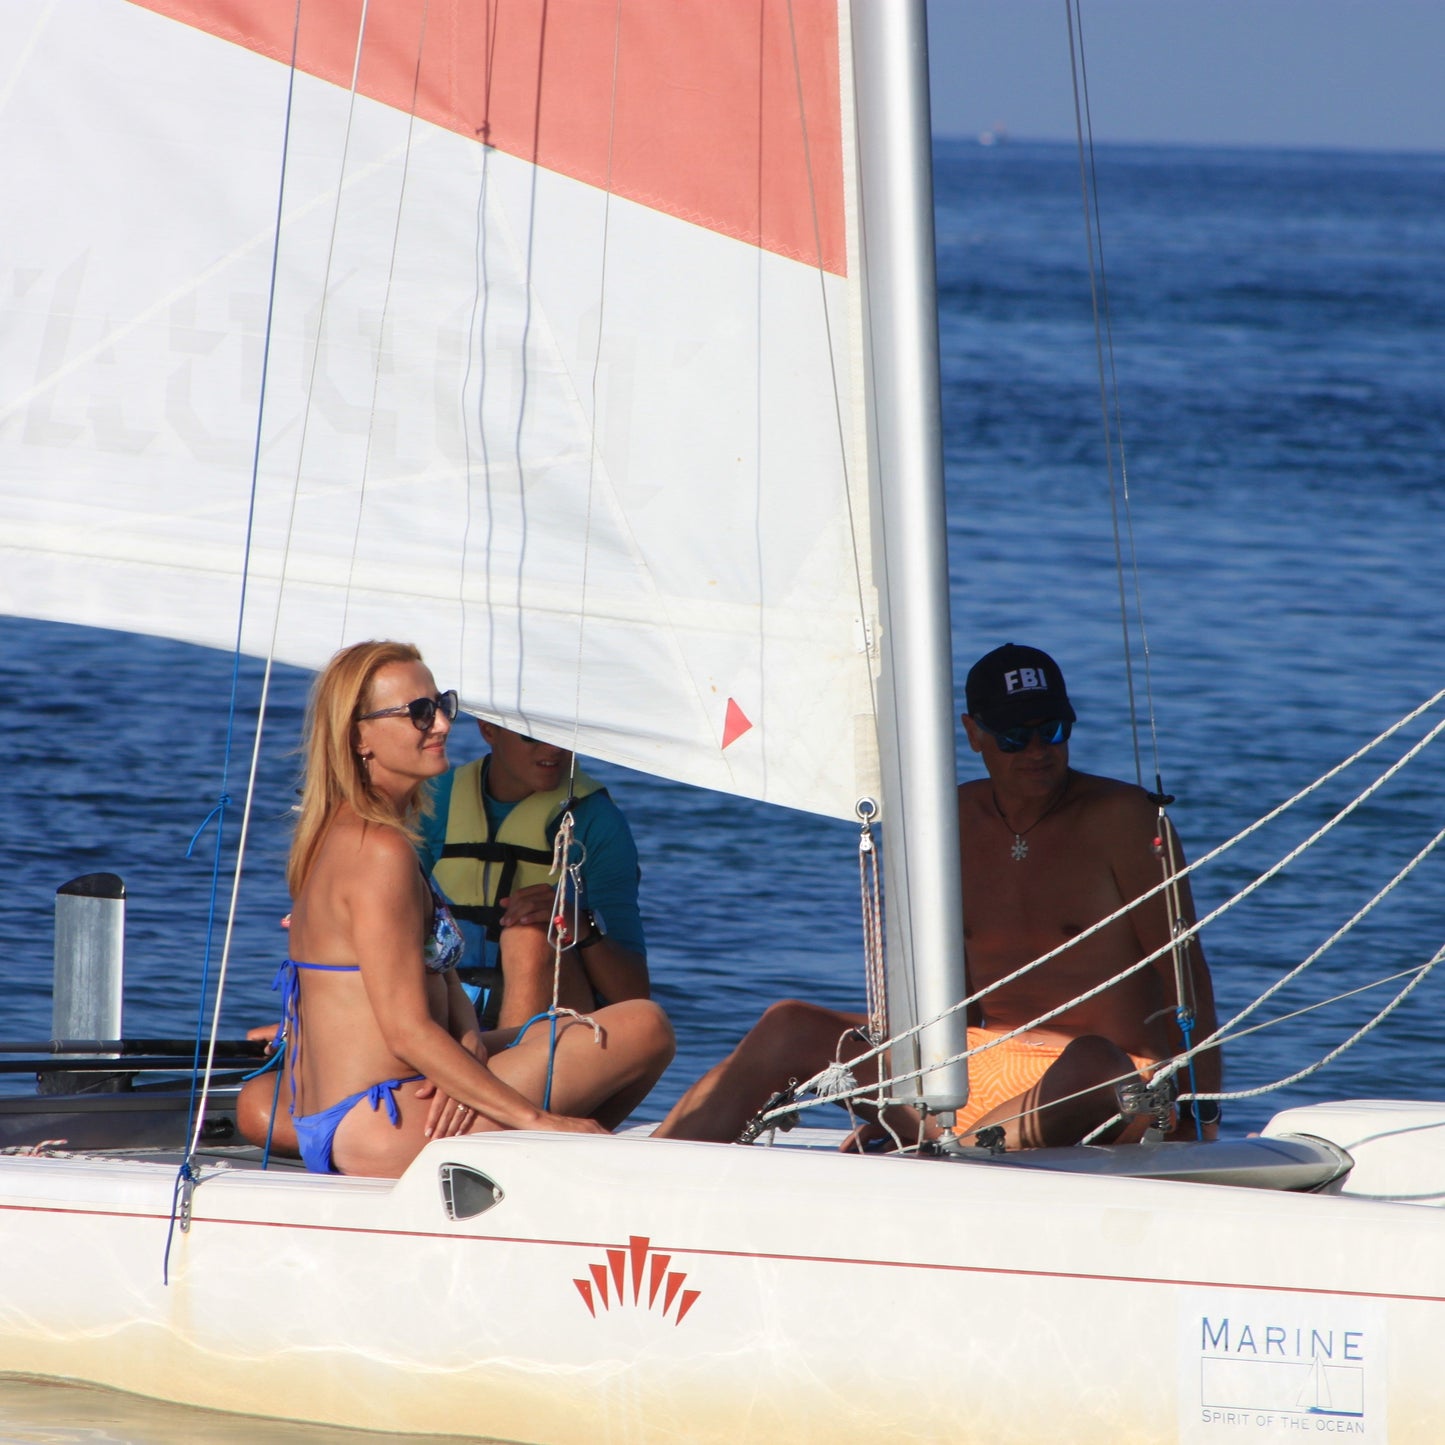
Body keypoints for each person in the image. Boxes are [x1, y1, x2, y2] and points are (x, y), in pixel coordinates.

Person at [653, 643, 1221, 1150]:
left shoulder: (1124, 819)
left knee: (1094, 1059)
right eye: (1012, 737)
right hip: (970, 1069)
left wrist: (1204, 1113)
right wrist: (892, 1108)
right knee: (789, 1025)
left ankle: (959, 1158)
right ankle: (651, 1171)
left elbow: (1185, 973)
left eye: (1051, 730)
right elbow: (942, 995)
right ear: (973, 734)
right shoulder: (948, 819)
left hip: (1103, 1085)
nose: (1036, 750)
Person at [243, 640, 673, 1177]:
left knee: (572, 1030)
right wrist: (533, 1118)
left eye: (442, 705)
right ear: (359, 738)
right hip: (384, 1117)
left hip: (364, 1107)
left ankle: (555, 1161)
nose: (443, 724)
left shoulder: (365, 834)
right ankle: (582, 1166)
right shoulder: (379, 851)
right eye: (418, 714)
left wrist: (468, 1050)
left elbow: (437, 986)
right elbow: (406, 1030)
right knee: (643, 1026)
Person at [417, 720, 648, 1030]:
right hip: (446, 1005)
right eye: (533, 735)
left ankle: (505, 1066)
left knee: (529, 936)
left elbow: (633, 996)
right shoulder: (434, 799)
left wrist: (580, 927)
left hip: (558, 1022)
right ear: (489, 730)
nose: (553, 747)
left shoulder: (598, 822)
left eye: (564, 733)